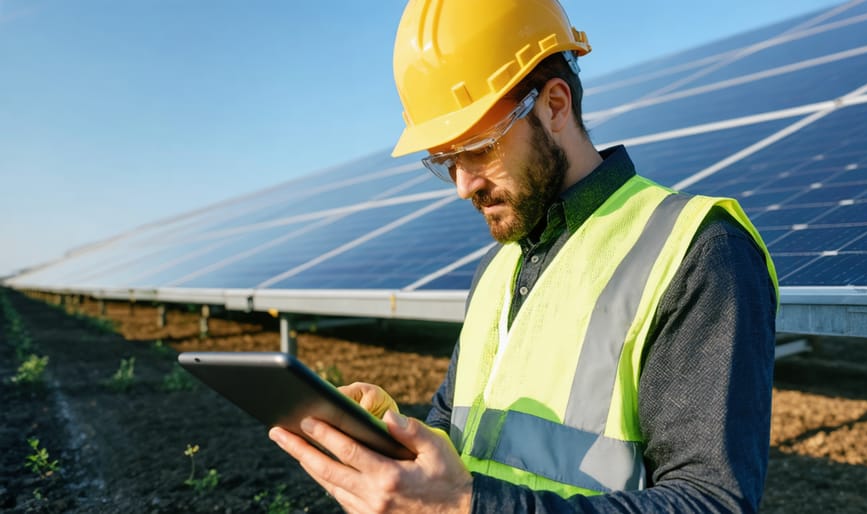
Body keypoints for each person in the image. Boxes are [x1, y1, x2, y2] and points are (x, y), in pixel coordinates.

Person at [268, 0, 779, 512]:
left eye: (480, 146)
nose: (463, 185)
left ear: (555, 105)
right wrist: (398, 439)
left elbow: (712, 502)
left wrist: (466, 507)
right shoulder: (496, 268)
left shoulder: (697, 251)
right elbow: (463, 439)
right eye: (446, 160)